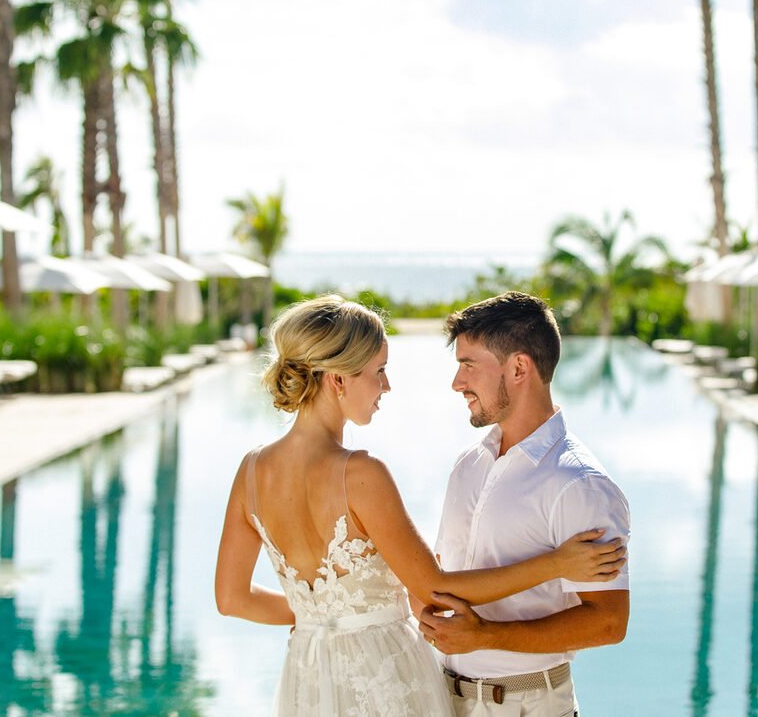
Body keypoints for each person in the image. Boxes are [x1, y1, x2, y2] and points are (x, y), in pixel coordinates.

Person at [213, 295, 626, 717]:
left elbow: (231, 599)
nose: (387, 386)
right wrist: (555, 564)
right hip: (384, 676)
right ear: (338, 380)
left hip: (311, 674)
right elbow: (433, 587)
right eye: (379, 372)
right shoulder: (364, 473)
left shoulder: (250, 471)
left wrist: (325, 615)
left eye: (468, 364)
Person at [420, 291, 631, 717]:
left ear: (519, 367)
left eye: (468, 365)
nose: (457, 383)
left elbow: (608, 623)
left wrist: (486, 635)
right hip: (442, 699)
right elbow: (442, 579)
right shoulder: (468, 464)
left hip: (527, 707)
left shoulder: (579, 484)